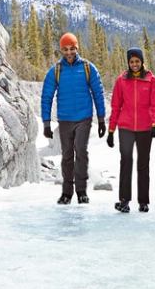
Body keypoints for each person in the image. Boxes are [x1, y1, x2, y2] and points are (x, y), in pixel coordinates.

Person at [39, 32, 106, 204]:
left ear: (77, 48)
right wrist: (46, 123)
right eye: (65, 49)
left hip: (84, 117)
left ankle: (82, 191)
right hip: (65, 119)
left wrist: (101, 119)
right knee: (67, 155)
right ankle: (67, 192)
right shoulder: (56, 71)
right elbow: (46, 96)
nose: (69, 52)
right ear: (61, 50)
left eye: (72, 49)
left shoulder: (88, 68)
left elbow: (98, 93)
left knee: (81, 152)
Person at [105, 47, 155, 213]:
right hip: (126, 127)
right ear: (128, 63)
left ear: (142, 62)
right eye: (131, 61)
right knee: (126, 162)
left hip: (145, 128)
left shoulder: (151, 80)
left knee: (143, 164)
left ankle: (143, 202)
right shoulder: (121, 80)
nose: (134, 64)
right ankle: (124, 200)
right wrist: (111, 130)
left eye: (137, 61)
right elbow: (116, 106)